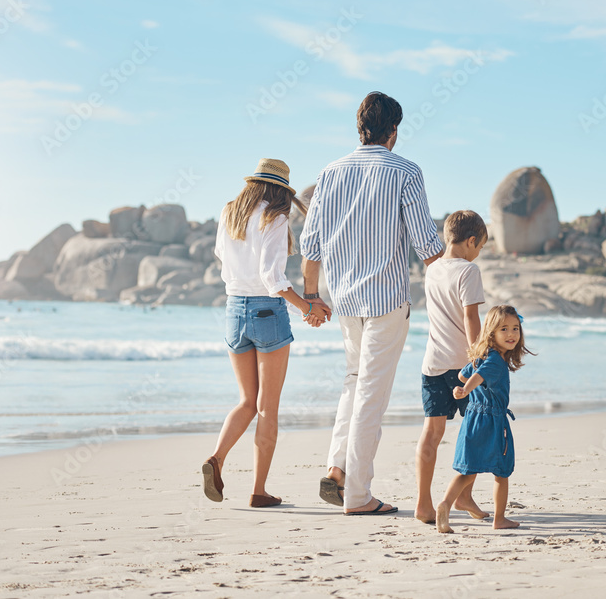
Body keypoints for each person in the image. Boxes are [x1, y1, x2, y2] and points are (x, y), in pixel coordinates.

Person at [300, 91, 444, 515]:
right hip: (386, 300)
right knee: (371, 393)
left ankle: (337, 469)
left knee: (353, 380)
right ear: (394, 131)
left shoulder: (330, 172)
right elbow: (426, 243)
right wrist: (453, 282)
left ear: (359, 128)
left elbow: (311, 245)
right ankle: (358, 496)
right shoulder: (405, 171)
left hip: (344, 299)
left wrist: (312, 298)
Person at [202, 158, 329, 508]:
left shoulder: (229, 212)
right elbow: (273, 278)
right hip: (266, 311)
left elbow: (220, 255)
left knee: (246, 400)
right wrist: (307, 307)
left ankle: (216, 458)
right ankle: (258, 491)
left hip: (233, 310)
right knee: (267, 408)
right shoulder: (276, 216)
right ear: (279, 190)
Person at [415, 210, 489, 525]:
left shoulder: (432, 270)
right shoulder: (468, 271)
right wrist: (478, 357)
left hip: (433, 365)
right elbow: (470, 317)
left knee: (431, 434)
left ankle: (423, 504)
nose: (478, 252)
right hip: (463, 366)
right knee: (476, 432)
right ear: (471, 241)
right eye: (480, 246)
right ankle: (463, 494)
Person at [436, 305, 532, 533]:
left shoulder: (484, 356)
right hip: (493, 421)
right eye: (504, 329)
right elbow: (475, 377)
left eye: (515, 329)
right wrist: (465, 390)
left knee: (468, 471)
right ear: (491, 333)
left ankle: (446, 504)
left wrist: (464, 386)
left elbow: (463, 373)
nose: (511, 334)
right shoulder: (496, 361)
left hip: (473, 418)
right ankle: (500, 519)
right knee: (502, 471)